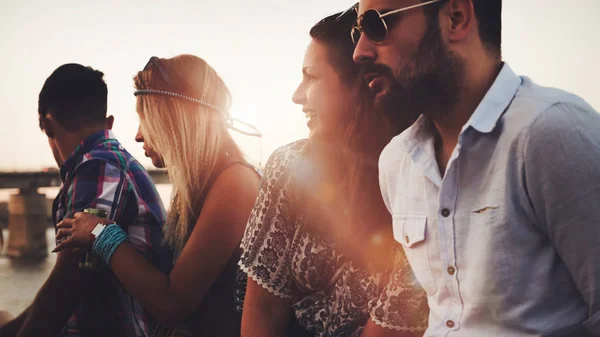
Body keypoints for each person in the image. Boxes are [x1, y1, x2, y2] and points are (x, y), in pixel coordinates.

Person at [353, 0, 600, 336]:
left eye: (376, 25)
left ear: (456, 18)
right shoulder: (397, 161)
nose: (359, 51)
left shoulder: (551, 133)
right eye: (358, 30)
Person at [239, 5, 427, 337]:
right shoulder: (291, 166)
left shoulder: (419, 184)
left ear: (360, 85)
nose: (297, 95)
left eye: (311, 76)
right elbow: (263, 308)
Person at [53, 54, 261, 337]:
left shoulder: (235, 183)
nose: (138, 136)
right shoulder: (208, 185)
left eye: (145, 119)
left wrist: (102, 235)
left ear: (173, 118)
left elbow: (172, 303)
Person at [0, 63, 172, 337]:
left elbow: (63, 290)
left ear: (46, 123)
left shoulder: (98, 167)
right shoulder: (112, 163)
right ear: (109, 123)